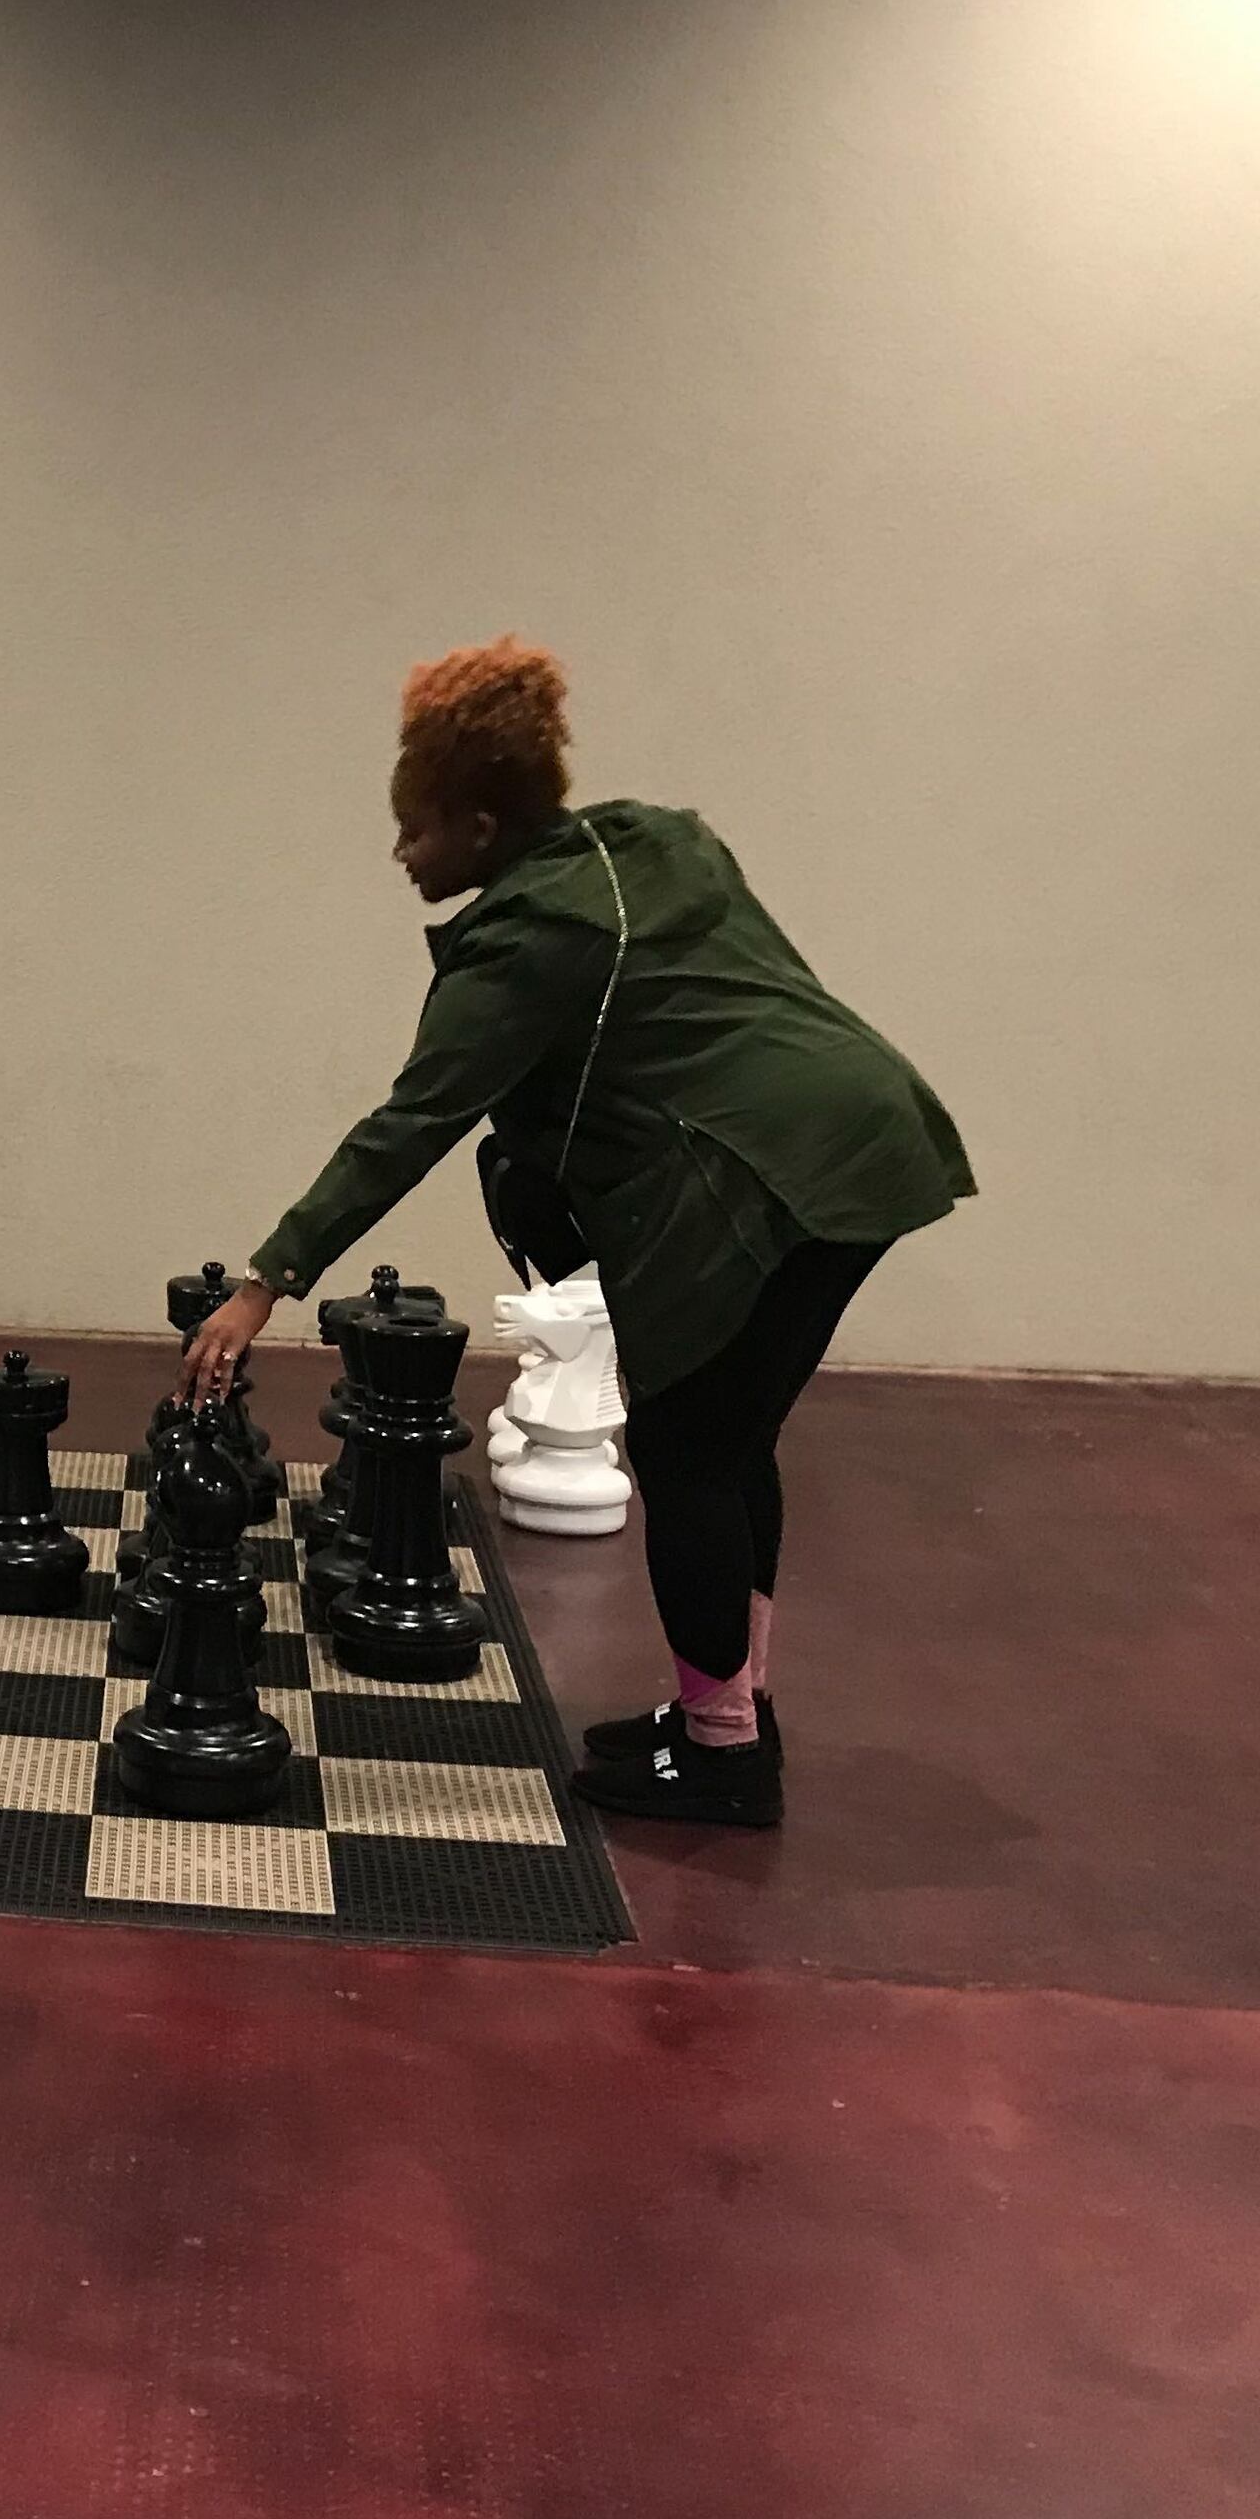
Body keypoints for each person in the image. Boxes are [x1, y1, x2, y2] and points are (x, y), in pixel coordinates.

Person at [179, 640, 972, 1828]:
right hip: (870, 1134)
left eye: (418, 828)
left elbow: (408, 1126)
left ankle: (718, 1754)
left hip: (761, 1179)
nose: (402, 851)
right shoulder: (657, 837)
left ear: (484, 825)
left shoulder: (520, 944)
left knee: (689, 1449)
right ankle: (733, 1710)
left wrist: (266, 1284)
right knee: (731, 1438)